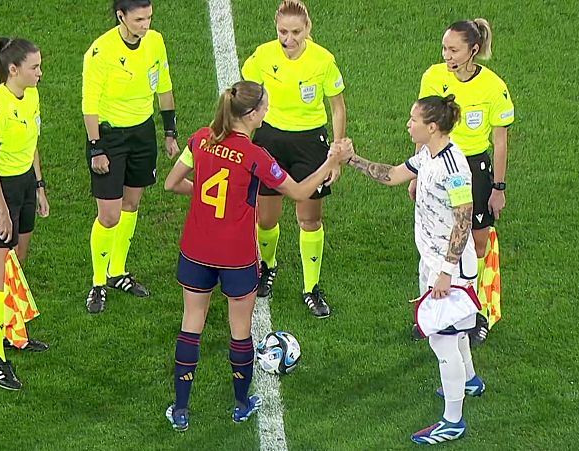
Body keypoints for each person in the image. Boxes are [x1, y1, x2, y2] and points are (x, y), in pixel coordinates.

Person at [162, 80, 351, 431]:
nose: (267, 111)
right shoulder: (255, 156)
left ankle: (182, 409)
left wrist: (203, 195)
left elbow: (171, 183)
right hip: (236, 256)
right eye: (264, 107)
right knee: (240, 330)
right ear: (250, 114)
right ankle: (240, 404)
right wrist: (331, 161)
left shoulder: (200, 138)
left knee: (192, 324)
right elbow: (299, 192)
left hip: (196, 249)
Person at [345, 95, 484, 444]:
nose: (408, 125)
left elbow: (464, 219)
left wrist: (446, 272)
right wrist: (352, 160)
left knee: (442, 341)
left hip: (449, 268)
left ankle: (453, 421)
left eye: (413, 120)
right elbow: (393, 175)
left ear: (432, 127)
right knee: (455, 332)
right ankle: (469, 380)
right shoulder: (427, 154)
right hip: (434, 260)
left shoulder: (453, 167)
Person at [241, 0, 347, 318]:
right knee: (266, 218)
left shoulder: (323, 60)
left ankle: (311, 287)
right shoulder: (262, 56)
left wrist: (336, 153)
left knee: (310, 219)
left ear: (308, 28)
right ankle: (267, 266)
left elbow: (337, 107)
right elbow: (245, 97)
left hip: (310, 144)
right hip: (270, 140)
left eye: (296, 32)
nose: (289, 39)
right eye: (283, 32)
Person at [414, 18, 515, 342]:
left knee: (478, 243)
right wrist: (417, 172)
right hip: (438, 165)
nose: (447, 56)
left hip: (474, 167)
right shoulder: (433, 77)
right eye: (444, 49)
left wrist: (498, 187)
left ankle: (475, 311)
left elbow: (500, 141)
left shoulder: (493, 87)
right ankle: (432, 311)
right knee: (435, 237)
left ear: (474, 50)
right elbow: (423, 126)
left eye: (454, 50)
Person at [82, 0, 180, 313]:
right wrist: (96, 147)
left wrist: (169, 132)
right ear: (121, 16)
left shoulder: (155, 42)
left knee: (131, 204)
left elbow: (164, 88)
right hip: (110, 138)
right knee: (109, 215)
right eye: (139, 19)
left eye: (148, 17)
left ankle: (117, 271)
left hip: (142, 134)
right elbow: (89, 105)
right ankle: (98, 282)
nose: (145, 24)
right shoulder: (100, 51)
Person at [0, 37, 50, 390]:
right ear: (13, 69)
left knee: (17, 261)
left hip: (23, 186)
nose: (40, 73)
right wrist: (3, 211)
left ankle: (9, 331)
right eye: (34, 67)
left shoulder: (31, 95)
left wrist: (39, 187)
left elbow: (32, 143)